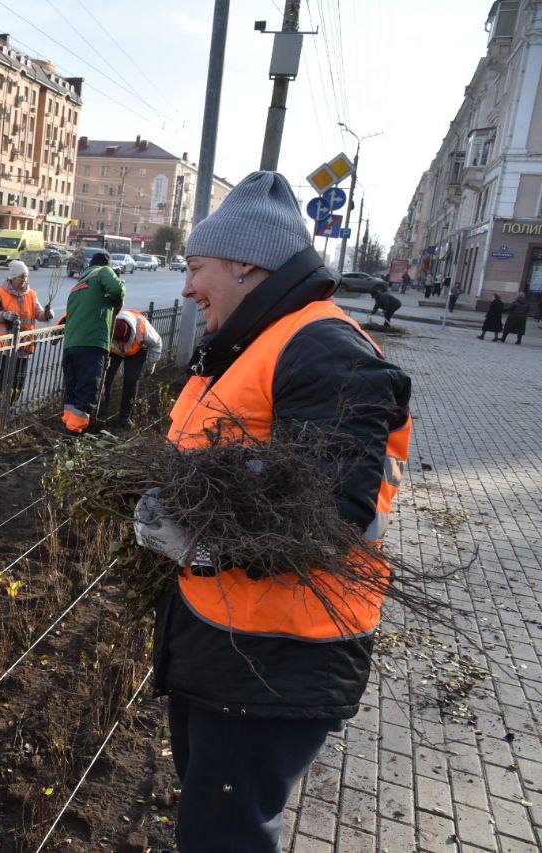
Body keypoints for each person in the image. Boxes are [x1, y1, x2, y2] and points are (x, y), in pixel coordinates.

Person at [132, 171, 412, 853]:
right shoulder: (252, 344)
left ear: (245, 264)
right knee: (212, 828)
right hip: (235, 643)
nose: (187, 288)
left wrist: (200, 546)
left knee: (224, 838)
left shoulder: (323, 348)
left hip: (276, 657)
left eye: (196, 267)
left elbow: (329, 511)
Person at [60, 251, 125, 433]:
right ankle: (73, 437)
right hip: (91, 344)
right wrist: (115, 299)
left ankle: (68, 430)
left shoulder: (79, 284)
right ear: (106, 265)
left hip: (70, 346)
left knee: (72, 394)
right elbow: (117, 290)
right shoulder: (103, 271)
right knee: (86, 393)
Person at [0, 259, 55, 404]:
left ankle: (11, 407)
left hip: (23, 347)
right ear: (13, 277)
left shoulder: (31, 294)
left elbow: (39, 314)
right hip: (3, 348)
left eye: (26, 277)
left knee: (18, 383)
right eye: (22, 277)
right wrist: (4, 315)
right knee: (2, 383)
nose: (25, 280)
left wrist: (48, 314)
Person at [100, 307, 162, 428]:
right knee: (104, 379)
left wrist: (151, 364)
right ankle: (101, 413)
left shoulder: (143, 329)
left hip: (137, 351)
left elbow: (157, 344)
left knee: (131, 380)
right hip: (113, 351)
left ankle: (125, 416)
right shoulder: (107, 323)